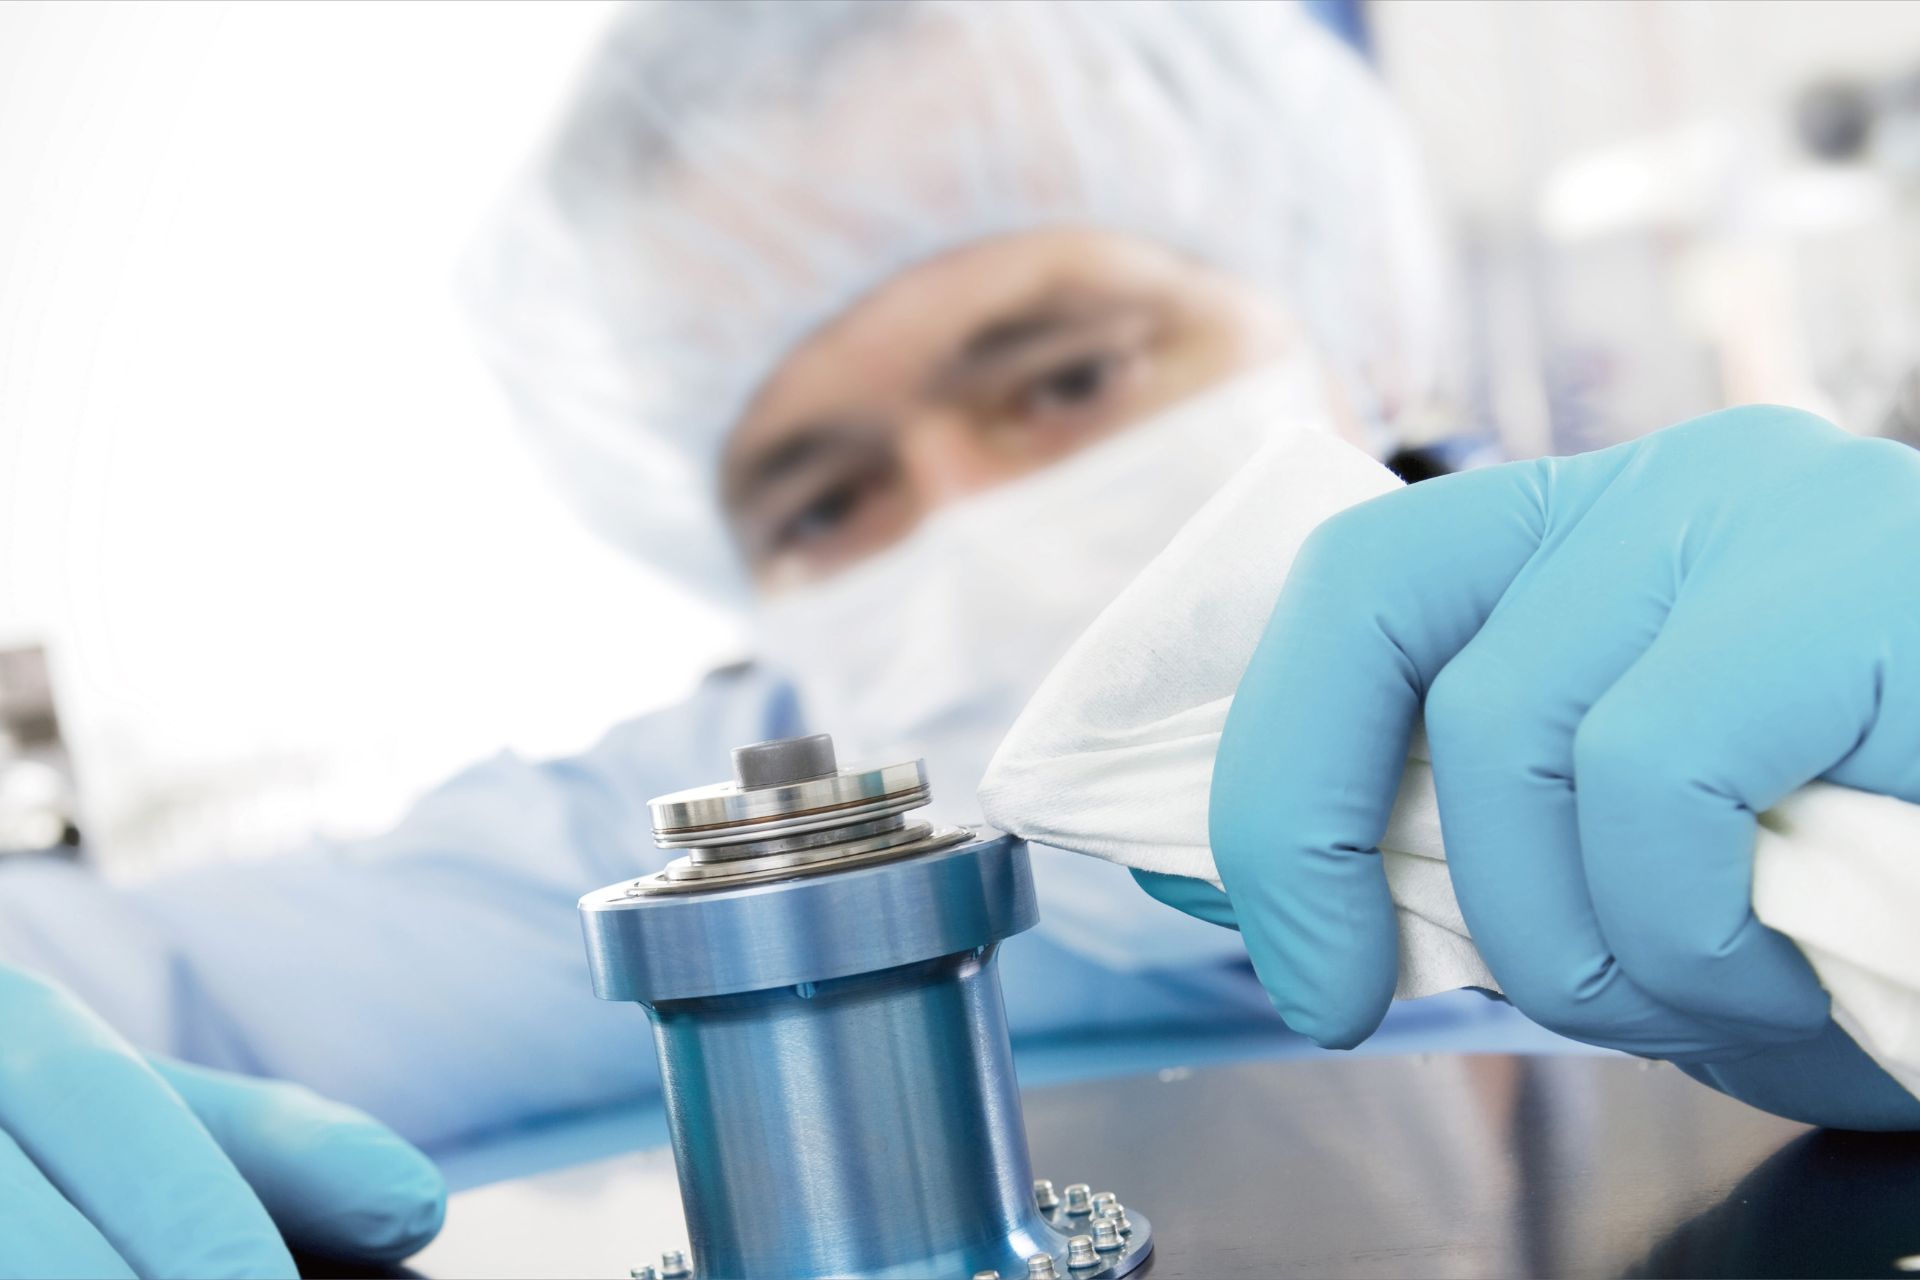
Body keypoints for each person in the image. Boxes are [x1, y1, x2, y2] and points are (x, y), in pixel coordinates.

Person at [2, 2, 1912, 1276]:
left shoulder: (1729, 631)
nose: (970, 521)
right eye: (824, 496)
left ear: (1345, 311)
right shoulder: (670, 851)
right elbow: (127, 990)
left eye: (1067, 372)